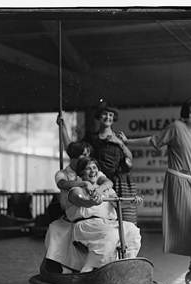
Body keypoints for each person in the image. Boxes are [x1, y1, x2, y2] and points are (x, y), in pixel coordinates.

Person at [119, 98, 191, 258]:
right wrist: (128, 141)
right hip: (179, 182)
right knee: (187, 226)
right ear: (186, 113)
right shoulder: (176, 127)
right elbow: (153, 141)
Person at [57, 100, 138, 224]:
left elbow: (130, 158)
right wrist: (62, 127)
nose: (108, 117)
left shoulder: (119, 138)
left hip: (120, 184)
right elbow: (73, 150)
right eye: (105, 114)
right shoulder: (91, 138)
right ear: (99, 117)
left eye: (111, 115)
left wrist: (120, 143)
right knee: (102, 219)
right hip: (99, 182)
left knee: (127, 223)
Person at [43, 141, 113, 273]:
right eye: (83, 154)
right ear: (73, 156)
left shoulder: (92, 170)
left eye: (88, 154)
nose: (86, 156)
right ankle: (57, 266)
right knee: (54, 229)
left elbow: (107, 182)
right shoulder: (62, 174)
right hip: (71, 213)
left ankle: (99, 266)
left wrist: (100, 189)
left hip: (89, 213)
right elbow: (63, 184)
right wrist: (84, 183)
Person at [66, 157, 142, 272]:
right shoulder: (76, 190)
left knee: (132, 230)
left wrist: (132, 202)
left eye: (94, 167)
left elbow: (118, 204)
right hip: (87, 225)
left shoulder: (107, 190)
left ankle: (127, 264)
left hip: (108, 223)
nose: (92, 171)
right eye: (88, 168)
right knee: (110, 234)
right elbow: (82, 201)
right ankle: (91, 269)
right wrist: (91, 201)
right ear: (81, 172)